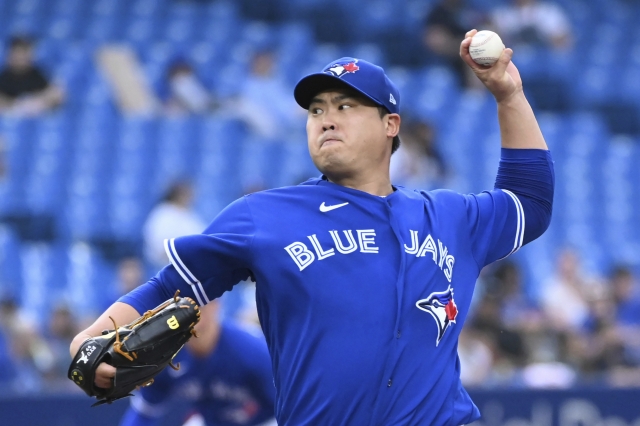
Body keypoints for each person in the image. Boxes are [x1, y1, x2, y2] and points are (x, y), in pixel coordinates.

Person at [71, 30, 554, 424]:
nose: (326, 119)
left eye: (346, 107)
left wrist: (509, 95)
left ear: (391, 125)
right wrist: (89, 338)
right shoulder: (265, 215)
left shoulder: (450, 217)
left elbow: (529, 201)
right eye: (317, 109)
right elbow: (171, 288)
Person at [119, 302, 276, 426]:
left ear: (216, 305)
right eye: (185, 304)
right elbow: (145, 414)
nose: (193, 311)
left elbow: (292, 408)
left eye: (201, 304)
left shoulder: (250, 350)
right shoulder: (165, 355)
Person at [143, 181, 208, 271]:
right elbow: (160, 249)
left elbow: (203, 239)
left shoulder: (190, 215)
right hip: (166, 269)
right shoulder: (163, 214)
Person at [0, 36, 64, 115]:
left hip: (37, 119)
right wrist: (16, 105)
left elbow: (56, 94)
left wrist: (35, 101)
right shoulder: (3, 77)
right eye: (17, 53)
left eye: (24, 53)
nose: (20, 57)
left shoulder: (38, 74)